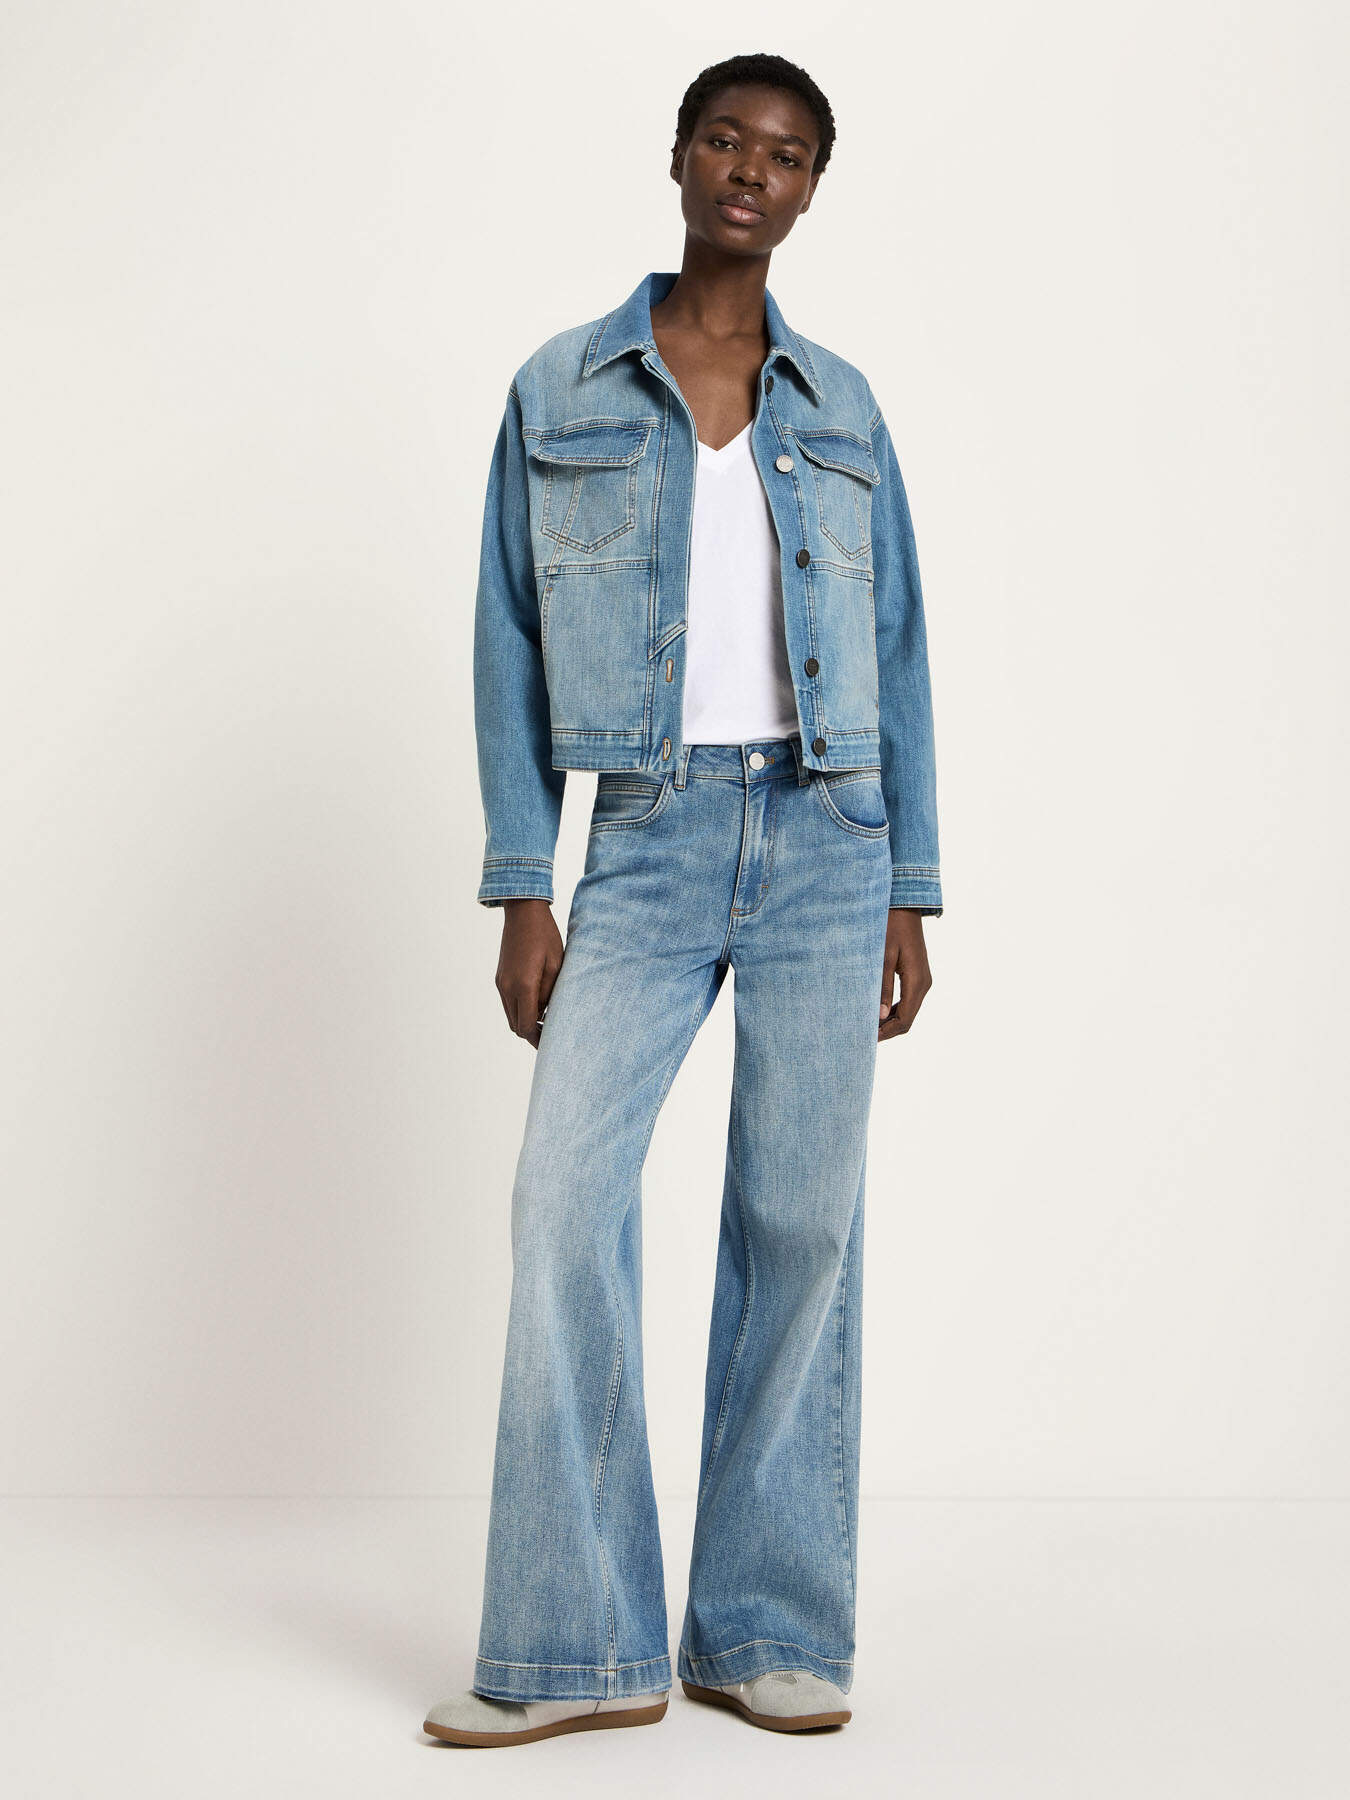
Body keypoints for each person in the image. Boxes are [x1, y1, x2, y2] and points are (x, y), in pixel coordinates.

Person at [422, 50, 942, 1750]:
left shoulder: (841, 407)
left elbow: (896, 651)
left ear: (810, 189)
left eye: (784, 155)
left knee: (801, 1229)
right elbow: (506, 637)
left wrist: (909, 886)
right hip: (639, 838)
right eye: (726, 138)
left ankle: (761, 1627)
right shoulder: (560, 386)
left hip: (826, 836)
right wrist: (524, 880)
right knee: (563, 1206)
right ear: (678, 155)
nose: (749, 171)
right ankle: (574, 1646)